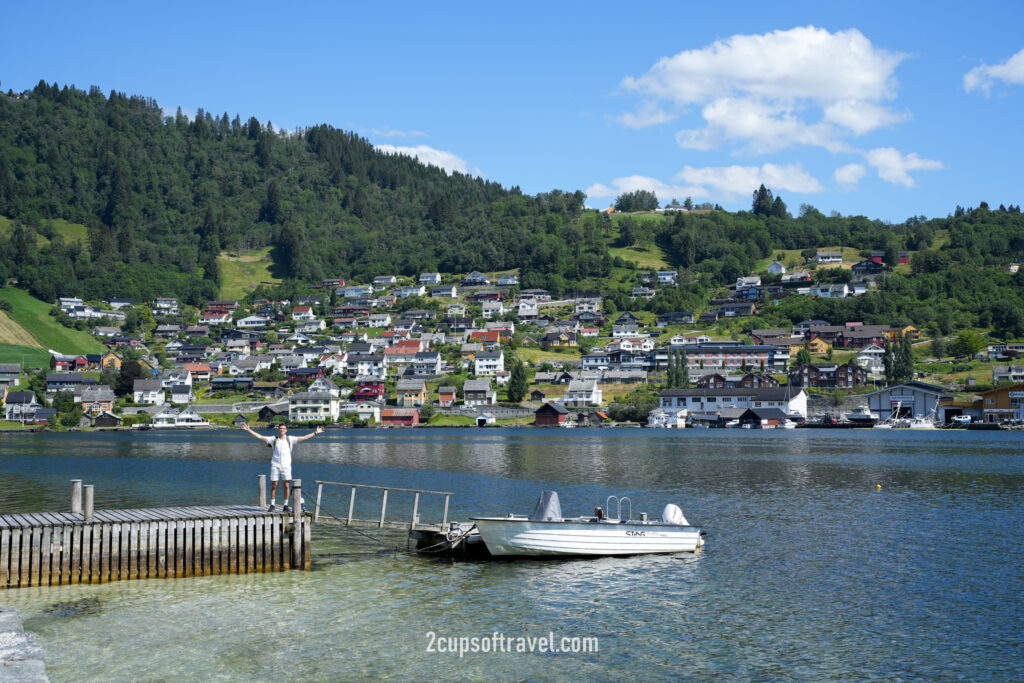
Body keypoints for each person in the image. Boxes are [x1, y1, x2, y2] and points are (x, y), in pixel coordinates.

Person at [241, 422, 324, 512]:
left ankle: (285, 505)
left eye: (284, 428)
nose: (282, 430)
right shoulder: (273, 439)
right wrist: (249, 430)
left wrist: (315, 432)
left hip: (286, 466)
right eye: (280, 428)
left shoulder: (290, 439)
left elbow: (304, 438)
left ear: (286, 430)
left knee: (286, 485)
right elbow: (260, 437)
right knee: (274, 485)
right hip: (275, 465)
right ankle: (272, 505)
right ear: (278, 430)